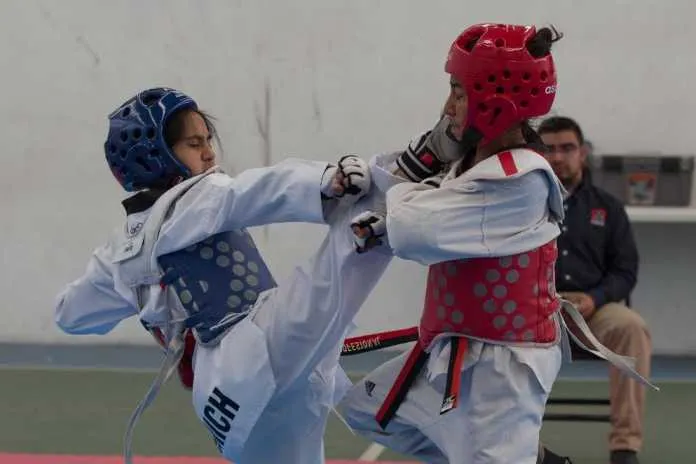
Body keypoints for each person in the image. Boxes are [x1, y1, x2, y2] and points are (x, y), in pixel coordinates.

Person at [338, 23, 655, 464]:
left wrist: (410, 179)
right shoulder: (472, 162)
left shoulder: (520, 178)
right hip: (456, 345)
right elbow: (407, 195)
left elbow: (415, 231)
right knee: (367, 411)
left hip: (505, 366)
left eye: (458, 92)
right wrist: (412, 166)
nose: (448, 106)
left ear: (494, 104)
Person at [54, 87, 404, 464]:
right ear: (155, 155)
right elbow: (249, 191)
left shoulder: (119, 252)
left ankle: (389, 199)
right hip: (250, 351)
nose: (208, 152)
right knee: (342, 260)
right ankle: (402, 176)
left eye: (207, 140)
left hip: (225, 395)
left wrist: (144, 296)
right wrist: (326, 179)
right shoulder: (195, 199)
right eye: (193, 143)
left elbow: (69, 314)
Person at [537, 116, 651, 464]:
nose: (557, 157)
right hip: (536, 312)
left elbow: (626, 271)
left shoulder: (609, 207)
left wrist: (595, 298)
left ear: (582, 153)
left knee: (631, 327)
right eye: (548, 149)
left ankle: (625, 447)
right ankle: (527, 449)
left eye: (567, 148)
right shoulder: (520, 204)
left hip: (594, 312)